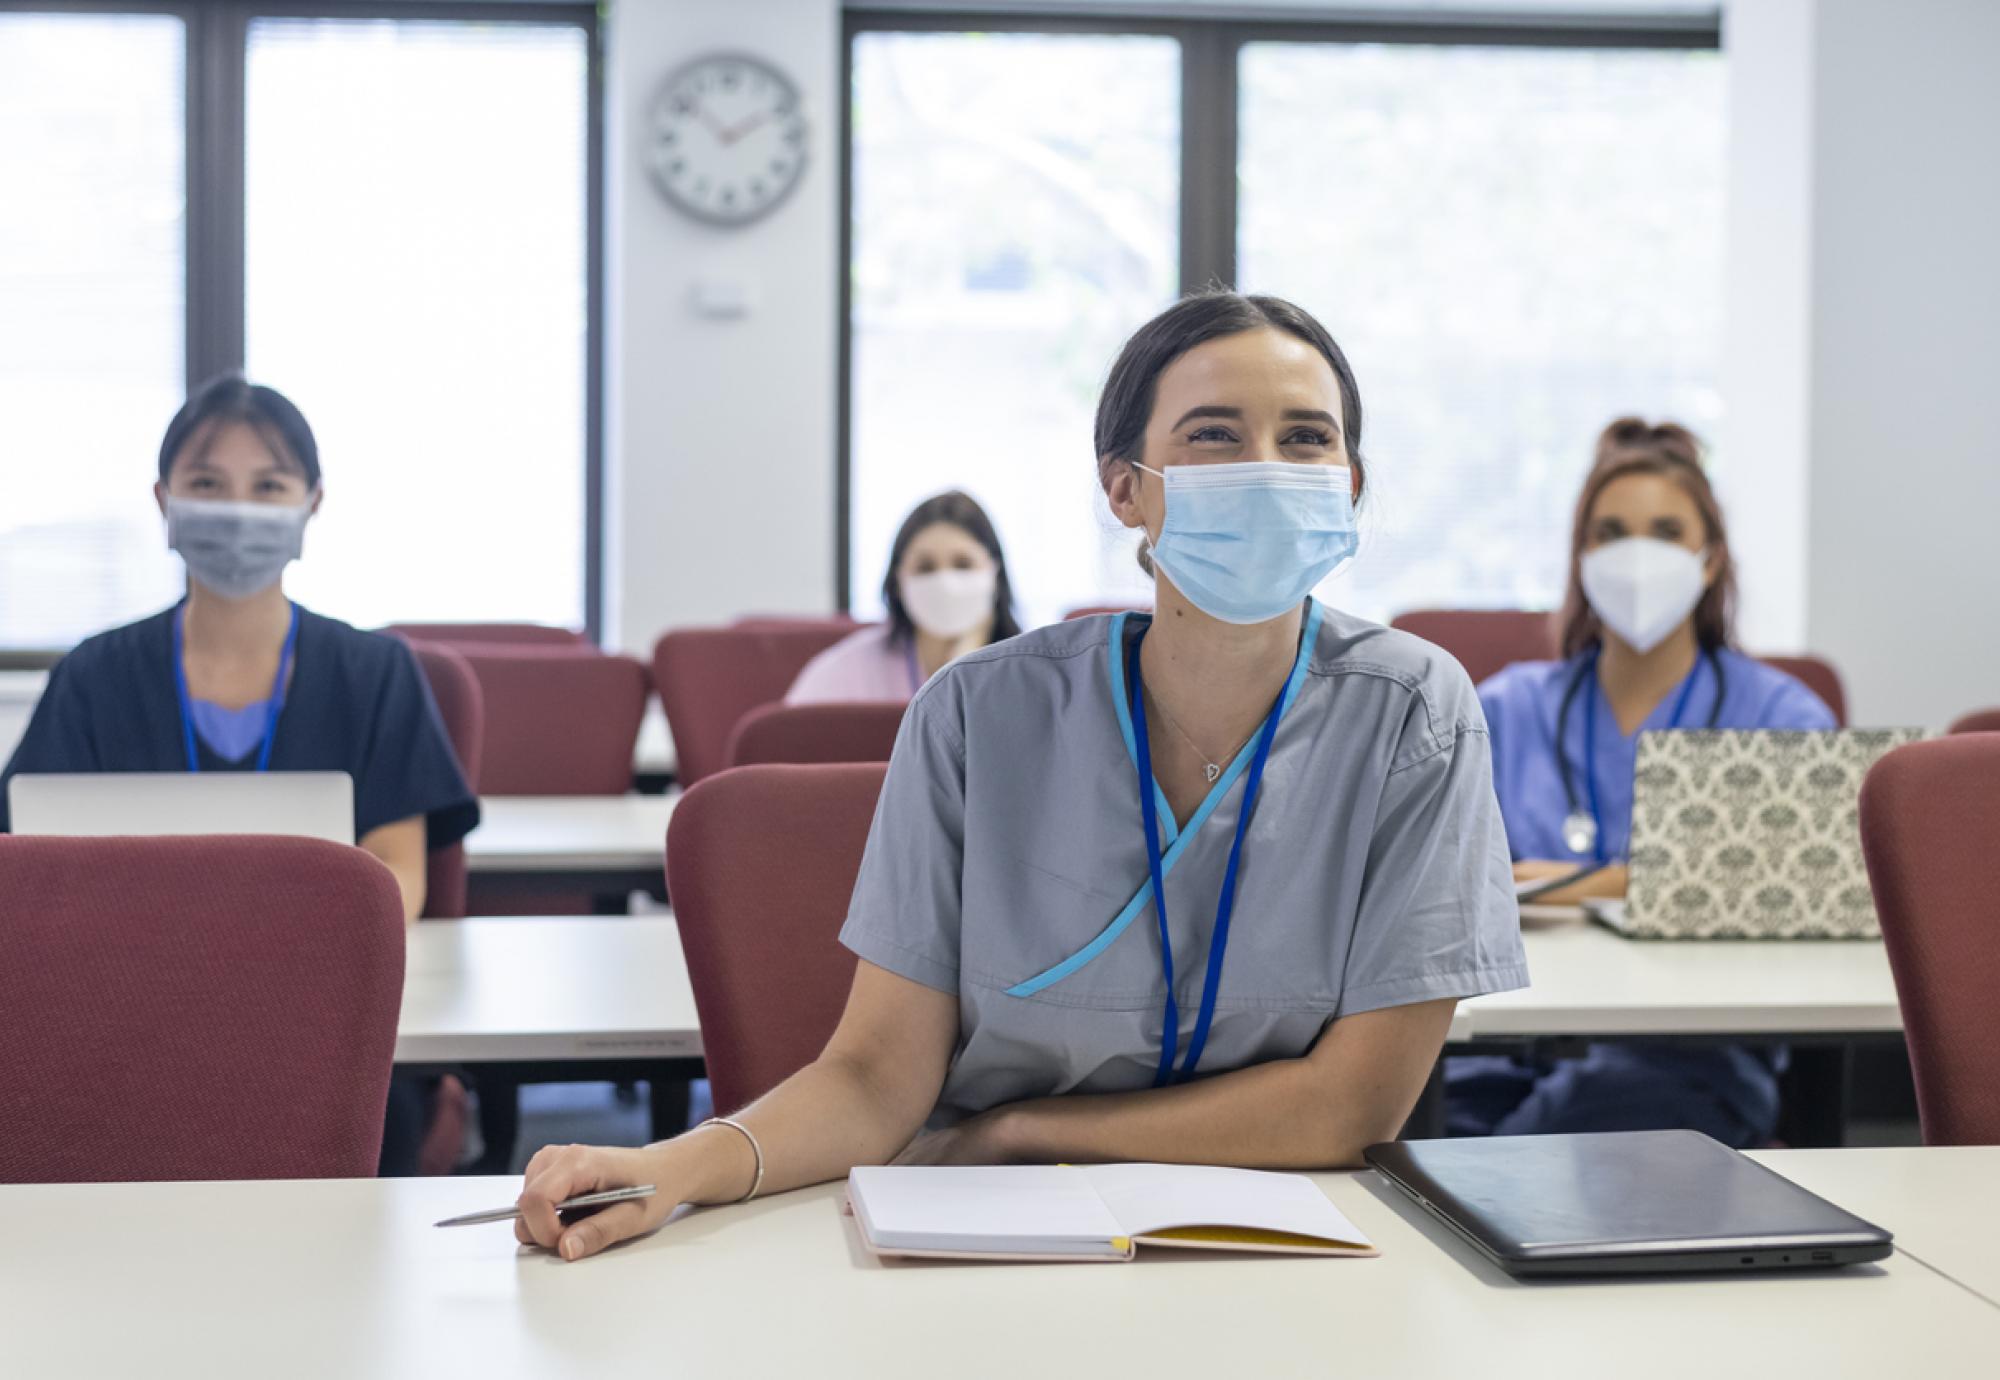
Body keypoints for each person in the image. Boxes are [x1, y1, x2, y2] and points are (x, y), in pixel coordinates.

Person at [512, 290, 1527, 1263]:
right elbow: (873, 1077)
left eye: (1305, 439)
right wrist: (675, 1167)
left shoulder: (1412, 711)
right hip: (988, 1230)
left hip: (1283, 1236)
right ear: (1123, 488)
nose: (1263, 468)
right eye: (1213, 435)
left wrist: (1023, 1133)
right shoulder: (974, 715)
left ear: (1347, 486)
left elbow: (1350, 1107)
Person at [0, 373, 481, 1173]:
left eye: (269, 485)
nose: (238, 509)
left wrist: (272, 954)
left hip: (321, 1011)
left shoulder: (376, 672)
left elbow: (402, 872)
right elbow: (32, 872)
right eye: (207, 484)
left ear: (312, 502)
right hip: (122, 1012)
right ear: (164, 501)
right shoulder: (95, 675)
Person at [1447, 418, 1836, 1147]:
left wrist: (1560, 881)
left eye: (1665, 532)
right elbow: (1443, 885)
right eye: (1611, 532)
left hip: (1687, 1055)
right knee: (1422, 1138)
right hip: (1500, 1040)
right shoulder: (1503, 706)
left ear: (1711, 559)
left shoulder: (1782, 717)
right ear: (1582, 557)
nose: (1637, 555)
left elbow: (1784, 897)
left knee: (1539, 1152)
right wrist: (1640, 881)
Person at [785, 490, 1023, 704]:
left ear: (994, 574)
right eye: (925, 567)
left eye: (963, 565)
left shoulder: (1028, 673)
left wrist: (967, 662)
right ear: (898, 581)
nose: (946, 583)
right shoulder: (840, 674)